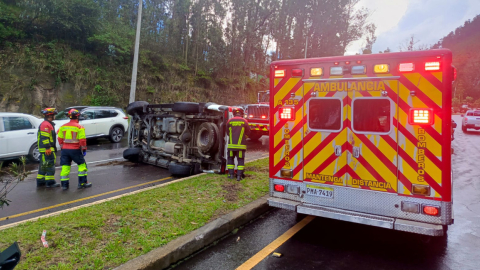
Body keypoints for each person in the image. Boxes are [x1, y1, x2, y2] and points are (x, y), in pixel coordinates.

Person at [57, 109, 92, 190]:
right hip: (75, 149)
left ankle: (64, 185)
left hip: (65, 150)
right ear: (78, 117)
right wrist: (84, 149)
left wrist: (63, 146)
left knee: (65, 167)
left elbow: (59, 138)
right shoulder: (79, 127)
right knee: (82, 165)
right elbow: (82, 140)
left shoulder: (63, 127)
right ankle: (82, 183)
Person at [36, 108, 60, 188]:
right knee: (50, 165)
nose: (54, 116)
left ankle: (41, 181)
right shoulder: (46, 124)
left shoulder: (47, 124)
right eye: (54, 115)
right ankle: (50, 182)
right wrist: (48, 148)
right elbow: (44, 137)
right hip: (47, 149)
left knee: (44, 165)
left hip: (45, 149)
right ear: (50, 116)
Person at [226, 107, 251, 181]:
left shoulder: (229, 121)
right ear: (242, 114)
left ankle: (231, 175)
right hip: (241, 146)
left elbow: (227, 133)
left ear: (234, 113)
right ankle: (239, 176)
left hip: (231, 146)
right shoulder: (244, 121)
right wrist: (244, 138)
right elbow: (248, 132)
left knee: (230, 159)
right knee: (240, 160)